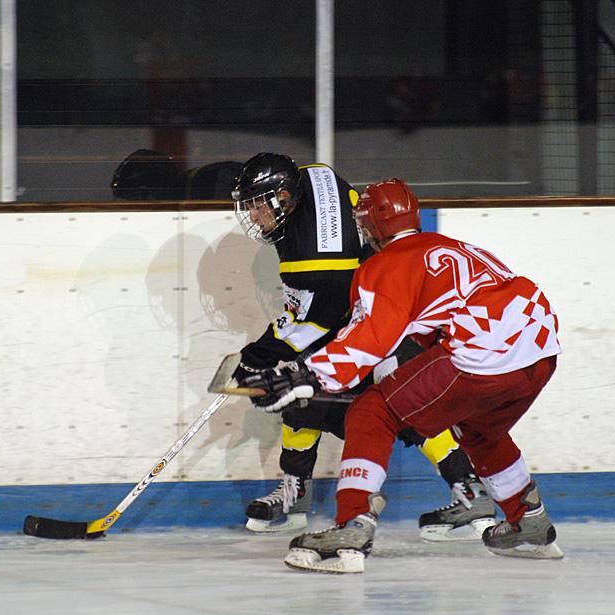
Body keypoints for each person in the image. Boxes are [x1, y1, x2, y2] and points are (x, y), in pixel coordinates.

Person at [243, 178, 563, 573]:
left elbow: (369, 338)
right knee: (479, 429)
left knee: (372, 412)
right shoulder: (455, 247)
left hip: (483, 350)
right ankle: (529, 521)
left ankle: (351, 527)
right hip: (541, 349)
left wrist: (307, 375)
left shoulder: (385, 264)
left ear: (370, 226)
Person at [228, 153, 495, 540]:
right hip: (367, 303)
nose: (253, 216)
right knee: (304, 398)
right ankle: (296, 492)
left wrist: (259, 356)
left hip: (385, 316)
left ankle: (469, 492)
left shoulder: (316, 261)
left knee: (403, 402)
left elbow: (312, 320)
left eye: (258, 205)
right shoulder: (314, 176)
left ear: (284, 197)